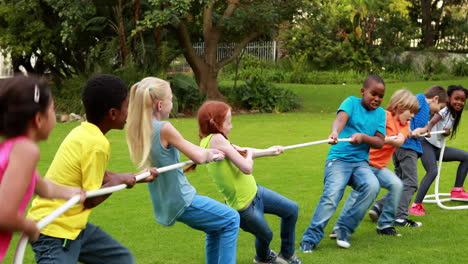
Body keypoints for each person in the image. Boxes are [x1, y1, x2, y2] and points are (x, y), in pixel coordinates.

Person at [27, 74, 158, 264]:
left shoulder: (82, 132)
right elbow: (90, 199)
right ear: (113, 114)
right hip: (54, 230)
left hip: (75, 227)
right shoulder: (97, 144)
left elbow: (98, 176)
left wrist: (137, 177)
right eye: (126, 107)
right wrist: (118, 181)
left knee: (121, 259)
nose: (129, 112)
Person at [125, 77, 240, 264]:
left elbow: (194, 151)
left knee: (215, 227)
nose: (172, 104)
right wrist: (212, 154)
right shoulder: (164, 128)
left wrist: (206, 152)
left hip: (165, 201)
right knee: (231, 219)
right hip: (182, 199)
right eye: (171, 99)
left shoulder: (140, 127)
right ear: (161, 105)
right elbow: (199, 157)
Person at [197, 100, 301, 264]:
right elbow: (247, 167)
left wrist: (270, 151)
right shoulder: (216, 139)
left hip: (256, 193)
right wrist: (250, 155)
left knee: (291, 210)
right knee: (266, 235)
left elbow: (243, 151)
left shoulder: (217, 140)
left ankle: (287, 255)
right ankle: (263, 257)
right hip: (244, 207)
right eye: (228, 122)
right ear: (215, 124)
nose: (231, 126)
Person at [0, 75, 86, 262]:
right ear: (38, 119)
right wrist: (30, 227)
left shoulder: (10, 149)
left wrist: (72, 192)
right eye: (53, 110)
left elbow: (43, 187)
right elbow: (4, 214)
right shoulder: (26, 150)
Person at [300, 75, 386, 252]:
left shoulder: (380, 114)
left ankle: (343, 229)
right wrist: (334, 133)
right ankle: (310, 238)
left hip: (360, 163)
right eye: (373, 94)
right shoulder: (351, 103)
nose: (376, 99)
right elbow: (340, 119)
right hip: (338, 160)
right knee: (332, 195)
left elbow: (379, 141)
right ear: (363, 92)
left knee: (372, 186)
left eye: (380, 96)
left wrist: (363, 138)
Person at [331, 90, 419, 237]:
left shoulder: (404, 125)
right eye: (411, 112)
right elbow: (369, 130)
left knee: (397, 185)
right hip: (364, 164)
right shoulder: (383, 116)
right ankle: (340, 227)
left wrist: (401, 135)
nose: (412, 116)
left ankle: (384, 225)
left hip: (379, 167)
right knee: (357, 194)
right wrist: (373, 137)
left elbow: (398, 141)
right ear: (400, 107)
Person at [368, 85, 447, 227]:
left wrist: (423, 130)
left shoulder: (425, 110)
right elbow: (403, 119)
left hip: (403, 147)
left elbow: (420, 126)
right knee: (410, 183)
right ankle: (400, 217)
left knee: (400, 183)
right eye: (440, 107)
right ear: (435, 99)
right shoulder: (419, 101)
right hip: (406, 147)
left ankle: (378, 207)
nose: (439, 111)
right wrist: (409, 130)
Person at [409, 85, 468, 215]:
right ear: (448, 99)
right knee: (432, 171)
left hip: (437, 147)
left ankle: (457, 190)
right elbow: (433, 121)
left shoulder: (454, 113)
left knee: (466, 157)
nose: (459, 102)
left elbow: (441, 127)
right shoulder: (445, 109)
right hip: (426, 144)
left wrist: (445, 133)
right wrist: (428, 129)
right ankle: (416, 205)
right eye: (456, 98)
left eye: (462, 100)